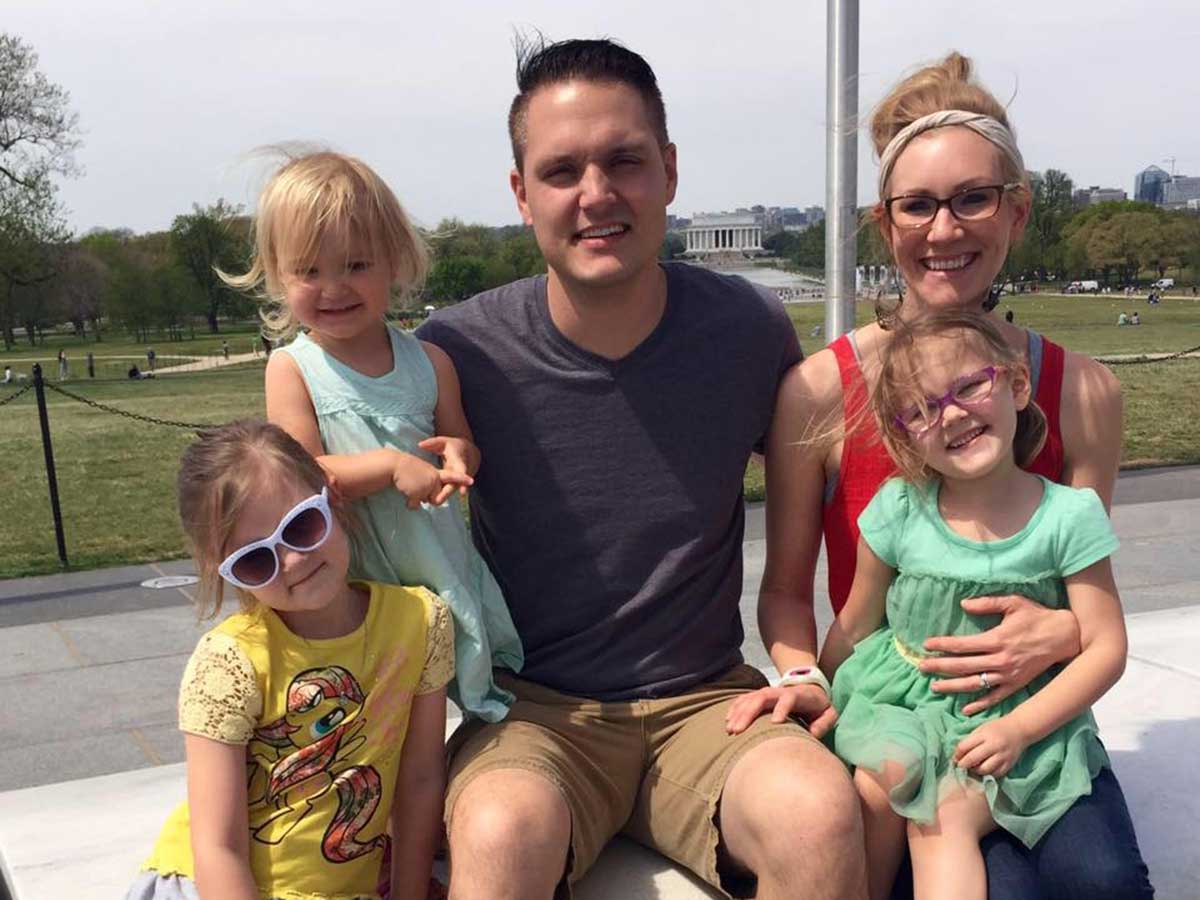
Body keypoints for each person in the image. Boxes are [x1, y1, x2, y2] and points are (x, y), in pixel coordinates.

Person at [417, 38, 864, 900]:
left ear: (668, 170)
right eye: (561, 171)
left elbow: (855, 490)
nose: (596, 195)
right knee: (500, 832)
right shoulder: (456, 353)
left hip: (707, 701)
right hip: (532, 712)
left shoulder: (747, 329)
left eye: (624, 161)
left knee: (817, 814)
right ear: (521, 195)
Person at [739, 51, 1152, 898]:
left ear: (1018, 210)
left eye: (974, 198)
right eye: (917, 205)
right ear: (885, 223)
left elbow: (1082, 587)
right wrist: (808, 679)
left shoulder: (1082, 389)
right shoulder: (820, 390)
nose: (945, 229)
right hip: (901, 714)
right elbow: (785, 593)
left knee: (1103, 885)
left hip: (1032, 719)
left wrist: (1067, 635)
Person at [817, 311, 1129, 900]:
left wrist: (1019, 728)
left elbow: (1106, 645)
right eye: (921, 409)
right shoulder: (899, 509)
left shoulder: (1068, 516)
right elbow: (856, 620)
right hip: (904, 701)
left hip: (1021, 713)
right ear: (904, 433)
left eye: (968, 387)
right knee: (881, 779)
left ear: (1015, 385)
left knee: (954, 815)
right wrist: (814, 688)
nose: (952, 414)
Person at [227, 150, 522, 722]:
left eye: (356, 265)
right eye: (309, 271)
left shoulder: (430, 362)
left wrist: (460, 456)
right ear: (278, 276)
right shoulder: (293, 369)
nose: (333, 287)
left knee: (451, 698)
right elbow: (305, 479)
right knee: (378, 713)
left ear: (394, 263)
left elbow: (463, 446)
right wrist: (390, 466)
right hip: (353, 577)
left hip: (433, 561)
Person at [126, 420, 451, 900]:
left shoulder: (421, 621)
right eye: (257, 559)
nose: (293, 562)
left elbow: (420, 778)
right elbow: (217, 848)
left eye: (302, 525)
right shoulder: (229, 663)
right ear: (230, 574)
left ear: (332, 498)